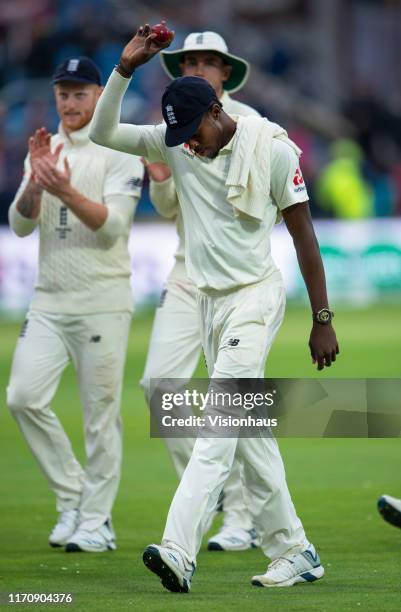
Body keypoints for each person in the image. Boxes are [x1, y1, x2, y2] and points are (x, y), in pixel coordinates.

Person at [90, 24, 339, 591]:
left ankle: (179, 547)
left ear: (217, 109)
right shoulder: (174, 143)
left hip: (255, 297)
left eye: (194, 134)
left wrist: (322, 320)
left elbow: (305, 238)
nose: (189, 148)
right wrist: (124, 68)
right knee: (250, 434)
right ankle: (296, 550)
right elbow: (103, 131)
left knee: (220, 422)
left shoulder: (270, 146)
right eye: (178, 140)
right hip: (206, 303)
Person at [7, 57, 144, 553]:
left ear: (98, 96)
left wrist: (63, 187)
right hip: (48, 300)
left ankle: (97, 522)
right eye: (63, 93)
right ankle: (72, 498)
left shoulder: (119, 149)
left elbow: (113, 229)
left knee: (99, 416)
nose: (69, 102)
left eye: (80, 93)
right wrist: (34, 184)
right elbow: (21, 225)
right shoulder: (47, 150)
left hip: (102, 300)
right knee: (22, 397)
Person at [141, 31, 261, 552]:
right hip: (186, 273)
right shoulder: (170, 124)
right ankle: (211, 490)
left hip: (236, 277)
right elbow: (168, 210)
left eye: (208, 61)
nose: (197, 67)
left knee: (229, 400)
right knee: (157, 387)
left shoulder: (251, 124)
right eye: (189, 60)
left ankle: (241, 516)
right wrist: (163, 177)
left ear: (225, 73)